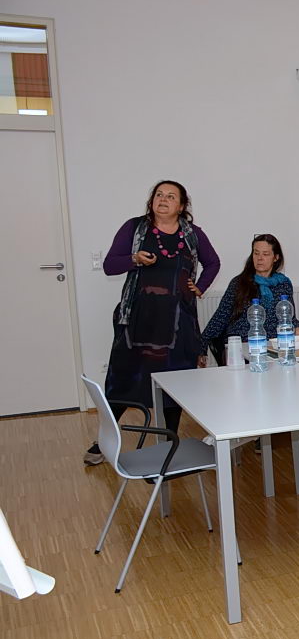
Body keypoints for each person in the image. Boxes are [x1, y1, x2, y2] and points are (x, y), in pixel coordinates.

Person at [86, 180, 220, 466]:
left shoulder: (193, 234)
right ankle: (105, 441)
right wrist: (134, 258)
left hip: (179, 322)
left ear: (181, 206)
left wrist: (200, 286)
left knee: (175, 382)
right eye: (159, 195)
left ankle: (170, 442)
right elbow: (110, 265)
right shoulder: (134, 228)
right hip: (137, 321)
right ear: (152, 201)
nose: (163, 199)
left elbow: (213, 263)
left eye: (171, 196)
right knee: (124, 378)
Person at [201, 234, 299, 364]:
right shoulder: (239, 283)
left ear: (276, 258)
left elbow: (289, 318)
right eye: (256, 253)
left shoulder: (284, 284)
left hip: (275, 347)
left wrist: (298, 328)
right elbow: (220, 317)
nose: (260, 258)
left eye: (265, 254)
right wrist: (201, 347)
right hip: (244, 347)